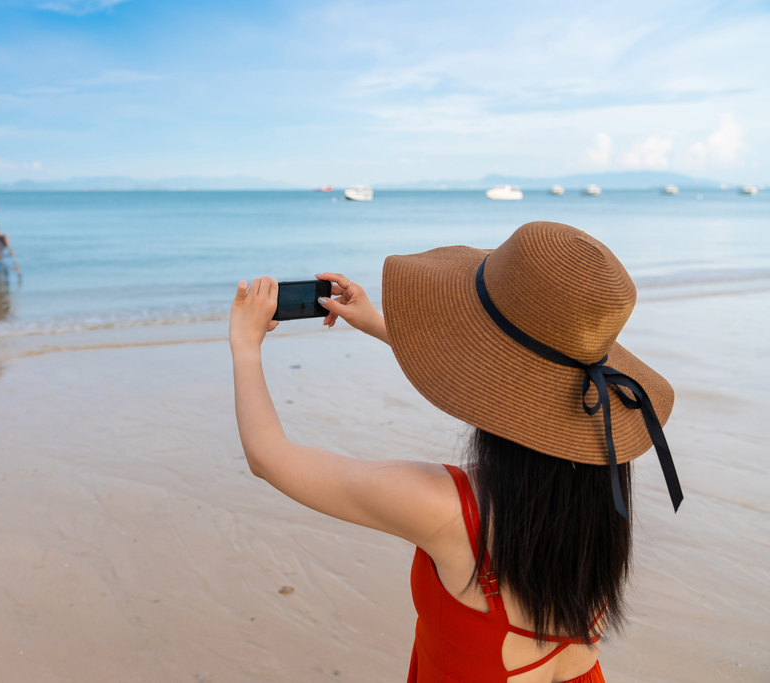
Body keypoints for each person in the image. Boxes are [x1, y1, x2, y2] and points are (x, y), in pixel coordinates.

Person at [229, 221, 682, 683]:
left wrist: (245, 346)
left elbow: (269, 457)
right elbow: (522, 388)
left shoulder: (449, 511)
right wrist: (381, 325)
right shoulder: (599, 485)